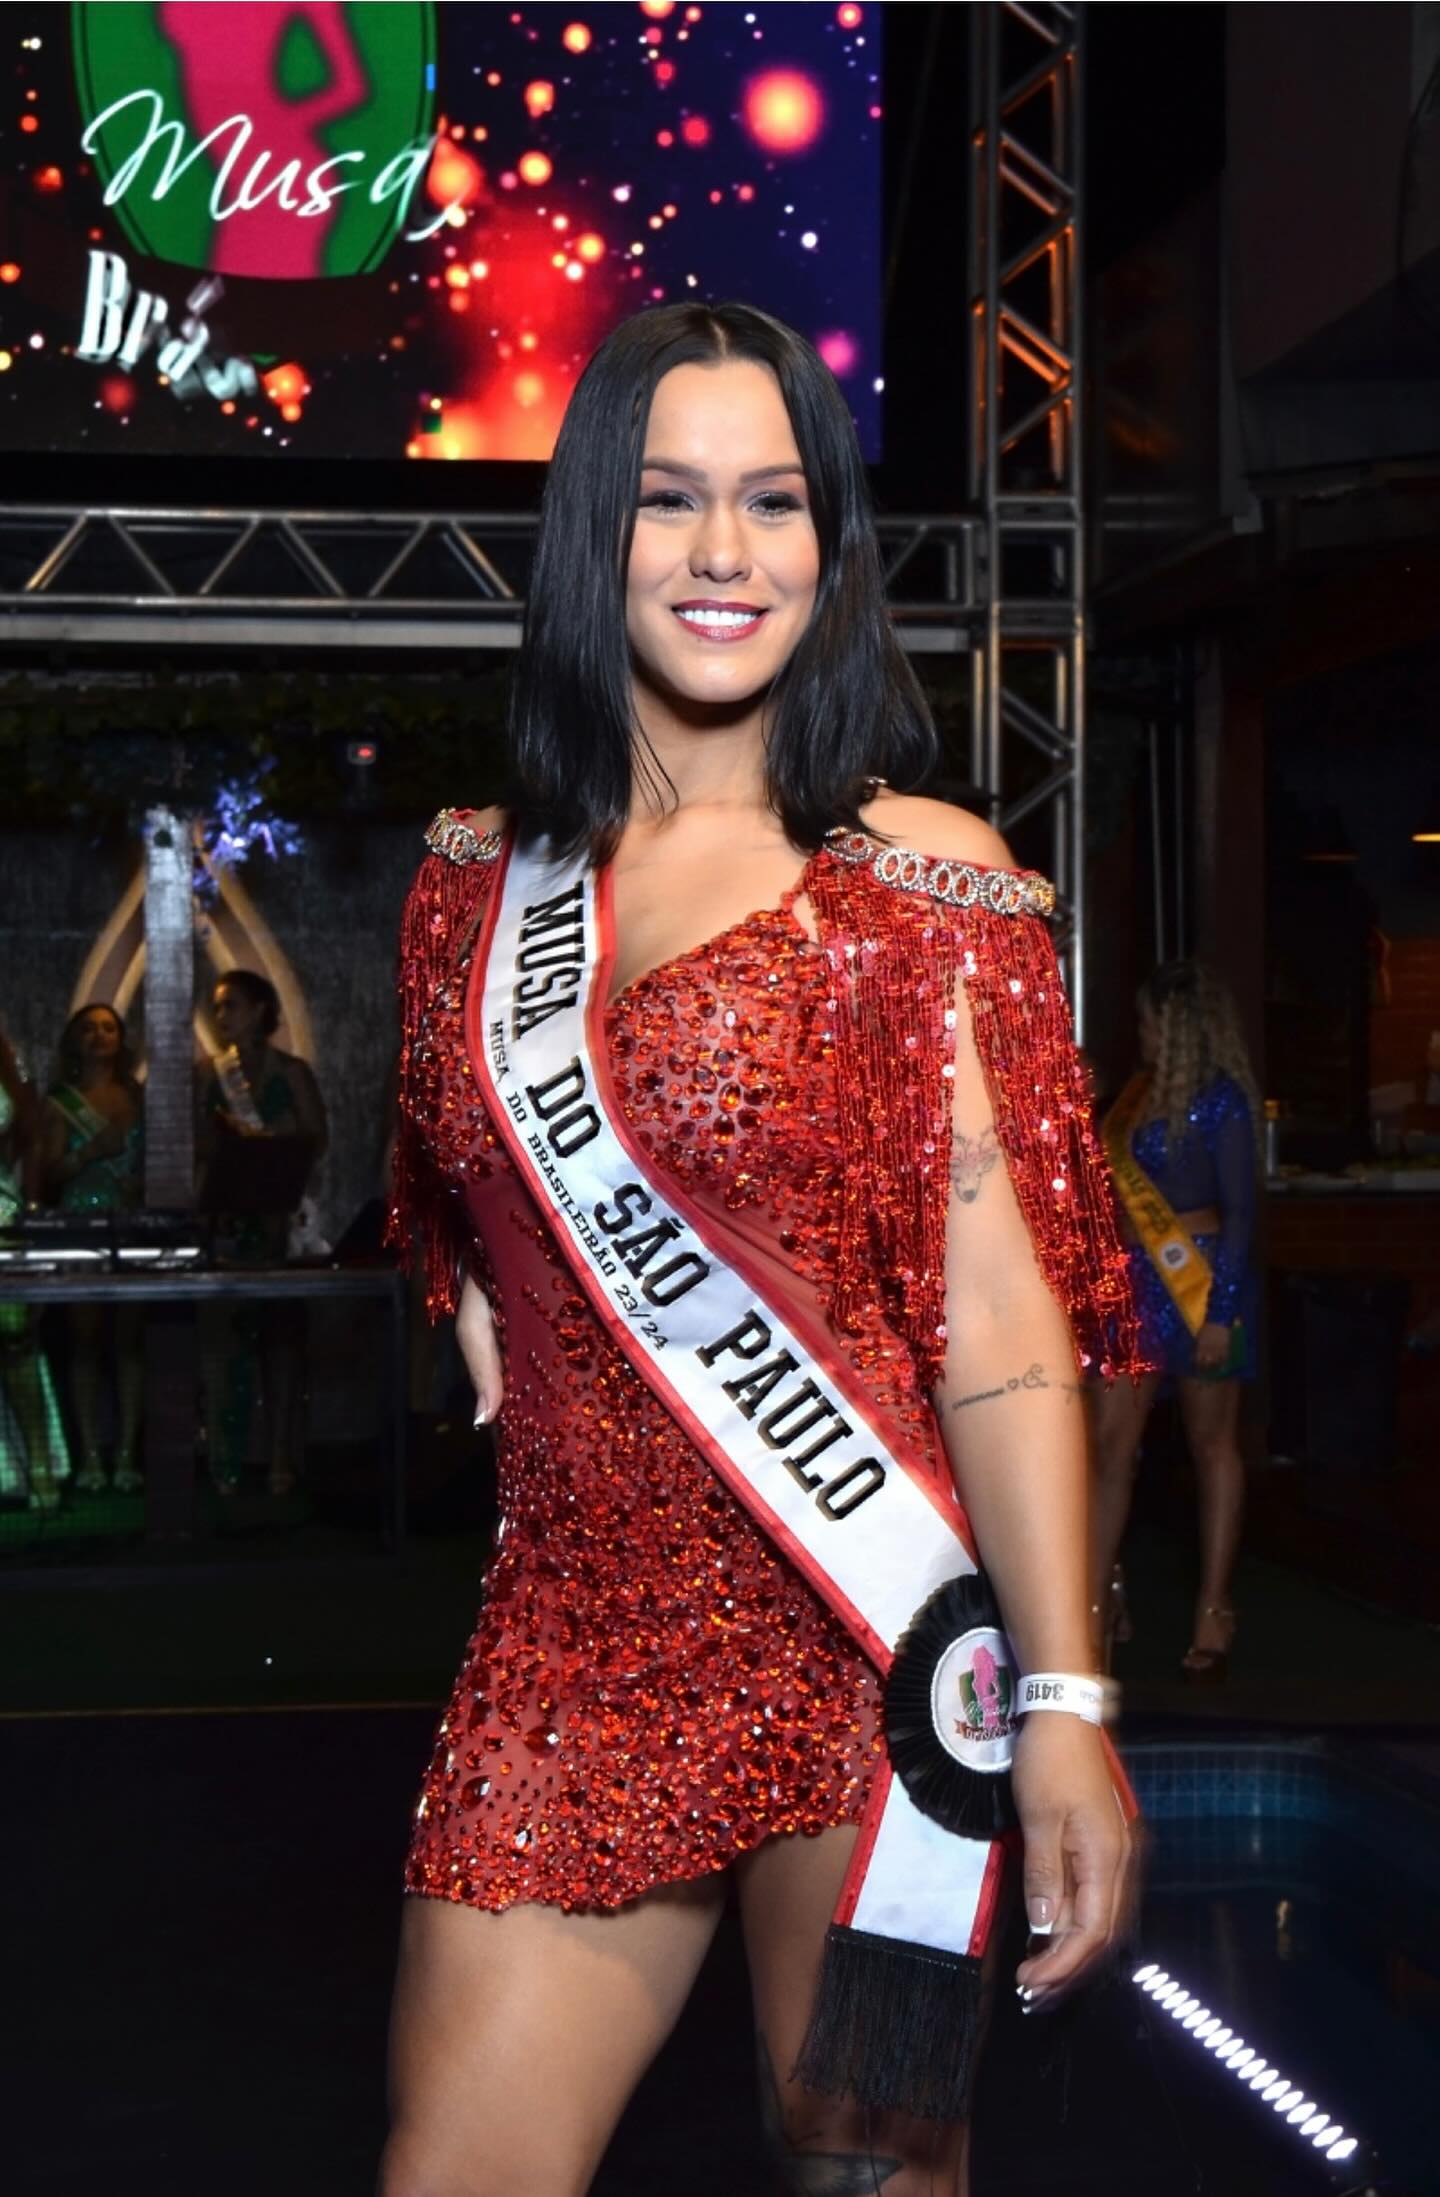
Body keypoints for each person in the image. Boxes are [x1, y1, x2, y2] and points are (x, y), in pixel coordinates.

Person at [380, 302, 1144, 2197]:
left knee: (877, 2173)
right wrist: (488, 1287)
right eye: (668, 501)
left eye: (775, 501)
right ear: (589, 534)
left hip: (882, 1664)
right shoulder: (471, 888)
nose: (728, 553)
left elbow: (1006, 1337)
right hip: (571, 1646)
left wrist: (1063, 1704)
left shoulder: (922, 885)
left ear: (831, 542)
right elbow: (457, 1194)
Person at [1091, 961, 1261, 1681]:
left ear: (1178, 1025)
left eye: (1148, 1020)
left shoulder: (1222, 1103)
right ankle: (1094, 1600)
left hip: (1204, 1284)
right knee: (1107, 1450)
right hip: (1133, 1288)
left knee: (1210, 1444)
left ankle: (1215, 1603)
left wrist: (1221, 1311)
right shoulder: (1133, 1095)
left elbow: (1245, 1211)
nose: (1141, 1032)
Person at [196, 969, 328, 1495]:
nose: (222, 1016)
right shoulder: (208, 1074)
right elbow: (191, 1143)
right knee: (222, 1343)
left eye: (230, 1005)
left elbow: (317, 1137)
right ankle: (225, 1462)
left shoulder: (291, 1072)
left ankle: (279, 1458)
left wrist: (268, 1142)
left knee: (281, 1341)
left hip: (276, 1220)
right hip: (225, 1220)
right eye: (218, 1006)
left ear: (259, 1010)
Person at [41, 1003, 145, 1494]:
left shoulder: (140, 1099)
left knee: (129, 1341)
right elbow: (48, 1173)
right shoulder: (60, 1102)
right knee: (83, 1340)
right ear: (73, 1041)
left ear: (122, 1040)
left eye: (108, 1028)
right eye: (88, 1028)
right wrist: (90, 1153)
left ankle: (126, 1453)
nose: (99, 1036)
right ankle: (88, 1457)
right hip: (79, 1225)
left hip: (132, 1227)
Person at [0, 1021, 71, 1511]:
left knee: (14, 1334)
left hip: (0, 1210)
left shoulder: (7, 1052)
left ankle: (41, 1462)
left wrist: (30, 1209)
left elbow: (31, 1137)